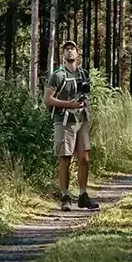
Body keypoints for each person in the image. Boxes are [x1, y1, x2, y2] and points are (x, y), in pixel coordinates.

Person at [44, 40, 100, 212]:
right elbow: (47, 100)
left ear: (77, 54)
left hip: (81, 120)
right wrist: (69, 104)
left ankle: (83, 196)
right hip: (63, 121)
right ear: (63, 54)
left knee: (84, 159)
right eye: (66, 49)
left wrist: (82, 104)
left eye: (72, 49)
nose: (69, 51)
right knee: (65, 159)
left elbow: (86, 94)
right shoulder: (58, 75)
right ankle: (65, 196)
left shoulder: (83, 74)